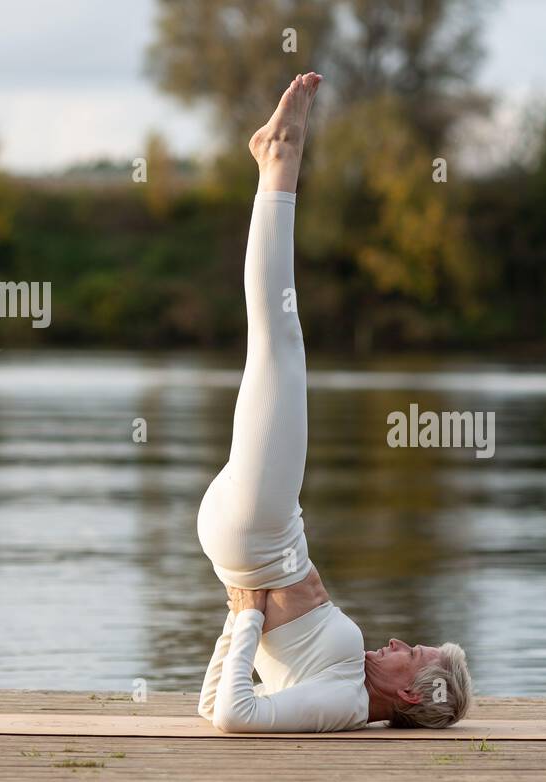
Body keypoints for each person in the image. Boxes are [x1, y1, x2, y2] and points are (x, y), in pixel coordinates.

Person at [196, 72, 471, 733]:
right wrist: (238, 621)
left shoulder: (349, 703)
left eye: (415, 655)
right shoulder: (345, 683)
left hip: (258, 537)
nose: (402, 643)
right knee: (275, 349)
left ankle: (279, 163)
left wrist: (248, 614)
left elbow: (234, 718)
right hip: (261, 531)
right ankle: (276, 162)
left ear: (409, 698)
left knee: (280, 345)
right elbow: (210, 705)